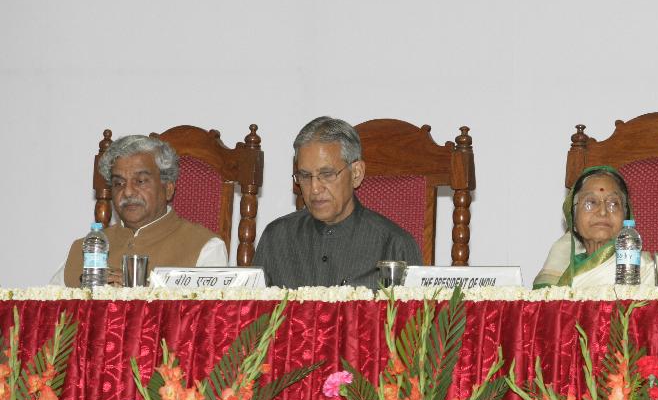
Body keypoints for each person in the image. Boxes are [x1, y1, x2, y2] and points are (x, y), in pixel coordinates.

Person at [254, 116, 421, 288]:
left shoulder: (394, 245)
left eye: (327, 174)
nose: (314, 188)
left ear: (356, 173)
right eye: (305, 176)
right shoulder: (276, 239)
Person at [57, 135, 227, 285]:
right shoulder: (84, 250)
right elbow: (48, 309)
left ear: (168, 189)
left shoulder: (205, 247)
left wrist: (145, 292)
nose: (128, 192)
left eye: (140, 181)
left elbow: (209, 312)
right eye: (118, 183)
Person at [533, 166, 656, 288]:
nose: (602, 212)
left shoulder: (643, 271)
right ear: (573, 220)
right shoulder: (559, 266)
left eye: (613, 203)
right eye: (591, 202)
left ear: (626, 217)